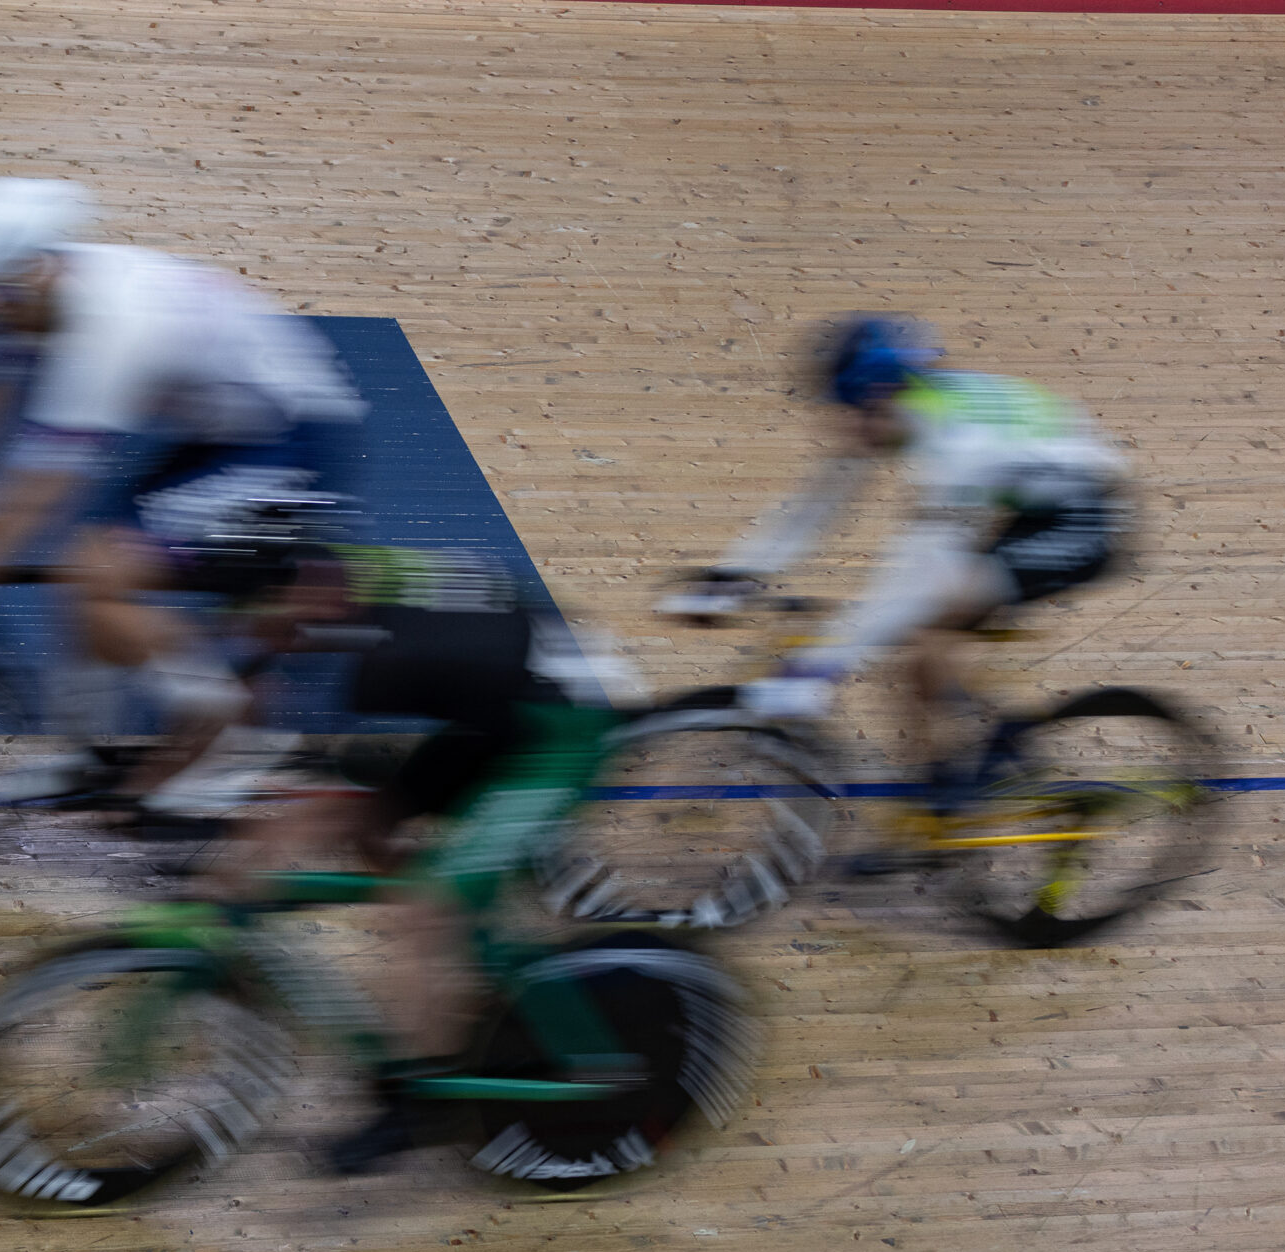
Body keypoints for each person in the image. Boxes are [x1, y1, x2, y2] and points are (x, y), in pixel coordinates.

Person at [0, 176, 368, 815]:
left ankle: (231, 730)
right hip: (224, 434)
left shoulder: (111, 328)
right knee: (83, 570)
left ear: (37, 270)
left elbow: (33, 492)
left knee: (100, 571)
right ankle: (87, 754)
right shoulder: (31, 295)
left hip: (294, 441)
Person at [205, 546, 617, 1174]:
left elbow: (319, 787)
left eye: (267, 622)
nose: (261, 640)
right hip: (501, 711)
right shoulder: (344, 612)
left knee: (425, 905)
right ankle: (462, 975)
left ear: (312, 600)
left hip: (558, 734)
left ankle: (422, 1101)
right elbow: (336, 801)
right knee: (379, 849)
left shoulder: (370, 656)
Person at [664, 315, 1131, 852]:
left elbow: (915, 577)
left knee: (931, 619)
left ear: (882, 395)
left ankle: (970, 781)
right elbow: (819, 503)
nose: (846, 429)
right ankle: (942, 803)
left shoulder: (954, 450)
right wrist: (734, 575)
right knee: (921, 645)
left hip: (1082, 521)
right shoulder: (911, 408)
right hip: (1026, 503)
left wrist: (818, 665)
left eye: (852, 411)